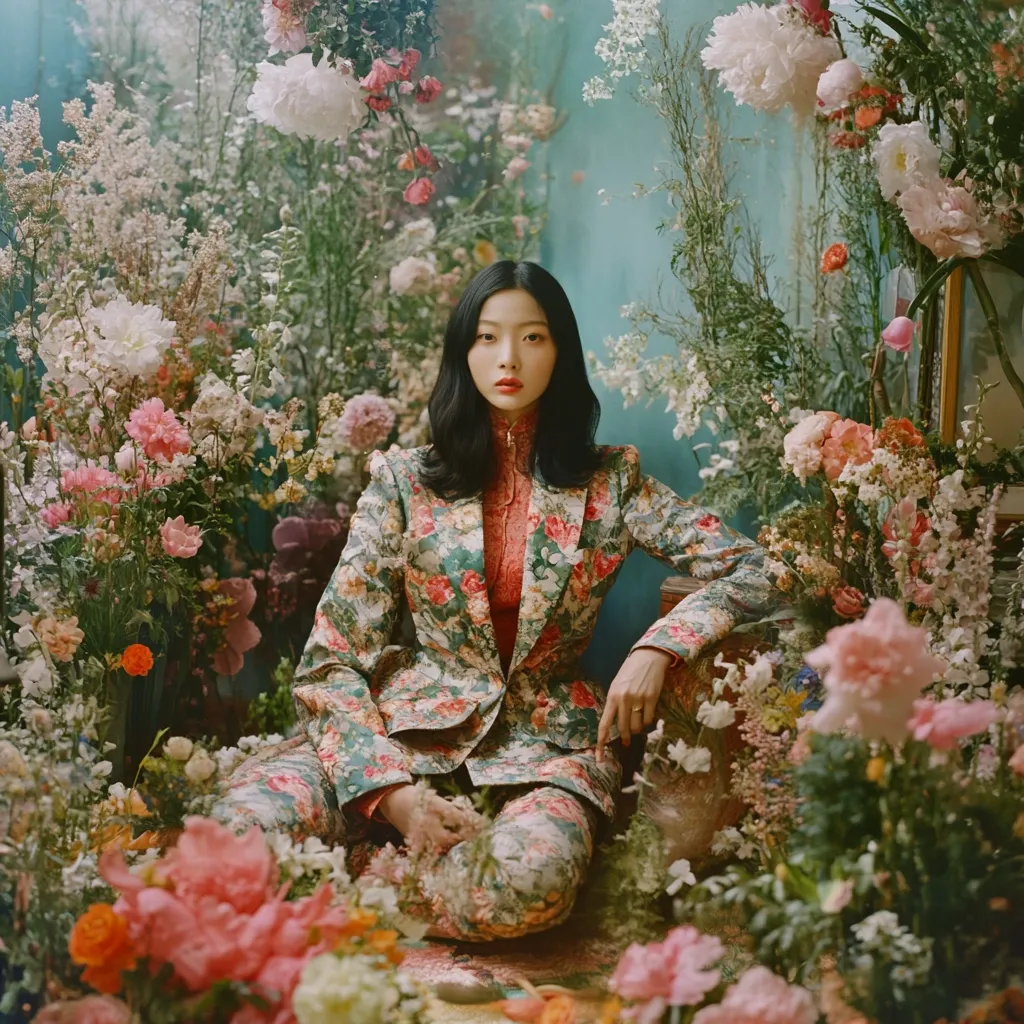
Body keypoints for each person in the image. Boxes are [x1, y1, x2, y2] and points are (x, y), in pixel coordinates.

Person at [213, 261, 777, 941]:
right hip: (401, 735)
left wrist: (661, 645)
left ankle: (345, 886)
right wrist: (393, 799)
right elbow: (332, 657)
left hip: (546, 748)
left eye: (533, 338)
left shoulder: (611, 480)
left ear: (559, 351)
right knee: (235, 832)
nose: (509, 358)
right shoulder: (403, 482)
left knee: (528, 888)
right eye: (488, 338)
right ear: (464, 352)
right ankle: (386, 856)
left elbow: (758, 568)